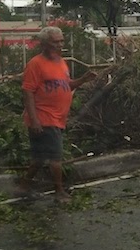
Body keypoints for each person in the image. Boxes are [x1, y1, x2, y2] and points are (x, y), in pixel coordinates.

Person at [18, 26, 96, 202]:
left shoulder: (61, 62)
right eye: (55, 42)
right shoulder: (35, 64)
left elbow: (67, 85)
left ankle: (23, 187)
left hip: (57, 118)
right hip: (45, 118)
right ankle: (59, 192)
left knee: (39, 158)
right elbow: (28, 93)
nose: (60, 45)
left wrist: (83, 79)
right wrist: (35, 120)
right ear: (44, 43)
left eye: (61, 41)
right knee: (55, 158)